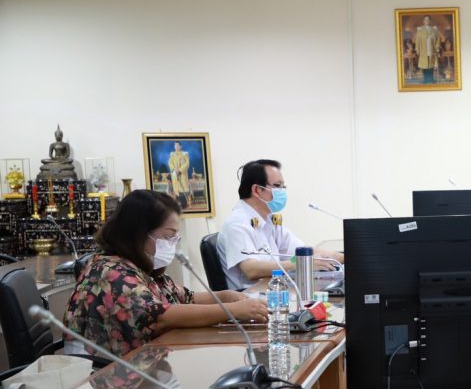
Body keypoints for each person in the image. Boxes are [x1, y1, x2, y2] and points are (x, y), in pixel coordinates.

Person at [65, 190, 266, 357]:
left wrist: (226, 297)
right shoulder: (111, 273)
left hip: (145, 363)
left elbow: (184, 298)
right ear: (139, 233)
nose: (172, 244)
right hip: (108, 376)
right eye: (168, 236)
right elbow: (160, 316)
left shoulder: (140, 266)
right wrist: (232, 310)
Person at [217, 159, 343, 290]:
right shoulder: (237, 224)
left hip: (274, 290)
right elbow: (251, 269)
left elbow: (304, 251)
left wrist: (346, 258)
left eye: (284, 187)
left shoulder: (269, 220)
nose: (282, 191)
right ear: (257, 190)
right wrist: (300, 264)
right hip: (251, 297)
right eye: (277, 186)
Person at [413, 15, 441, 84]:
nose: (427, 21)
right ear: (423, 21)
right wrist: (417, 49)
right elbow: (417, 40)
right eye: (425, 20)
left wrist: (437, 48)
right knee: (424, 64)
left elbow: (438, 39)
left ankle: (431, 79)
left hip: (432, 50)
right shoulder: (420, 30)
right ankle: (425, 79)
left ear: (430, 21)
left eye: (428, 20)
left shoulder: (434, 30)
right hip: (423, 49)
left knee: (431, 64)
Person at [168, 141, 191, 208]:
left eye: (178, 145)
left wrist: (180, 170)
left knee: (183, 188)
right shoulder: (172, 154)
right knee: (176, 189)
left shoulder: (184, 154)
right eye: (175, 145)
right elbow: (170, 163)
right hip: (175, 174)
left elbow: (187, 163)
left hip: (182, 174)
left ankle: (184, 204)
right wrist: (174, 169)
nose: (176, 147)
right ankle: (178, 204)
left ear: (180, 146)